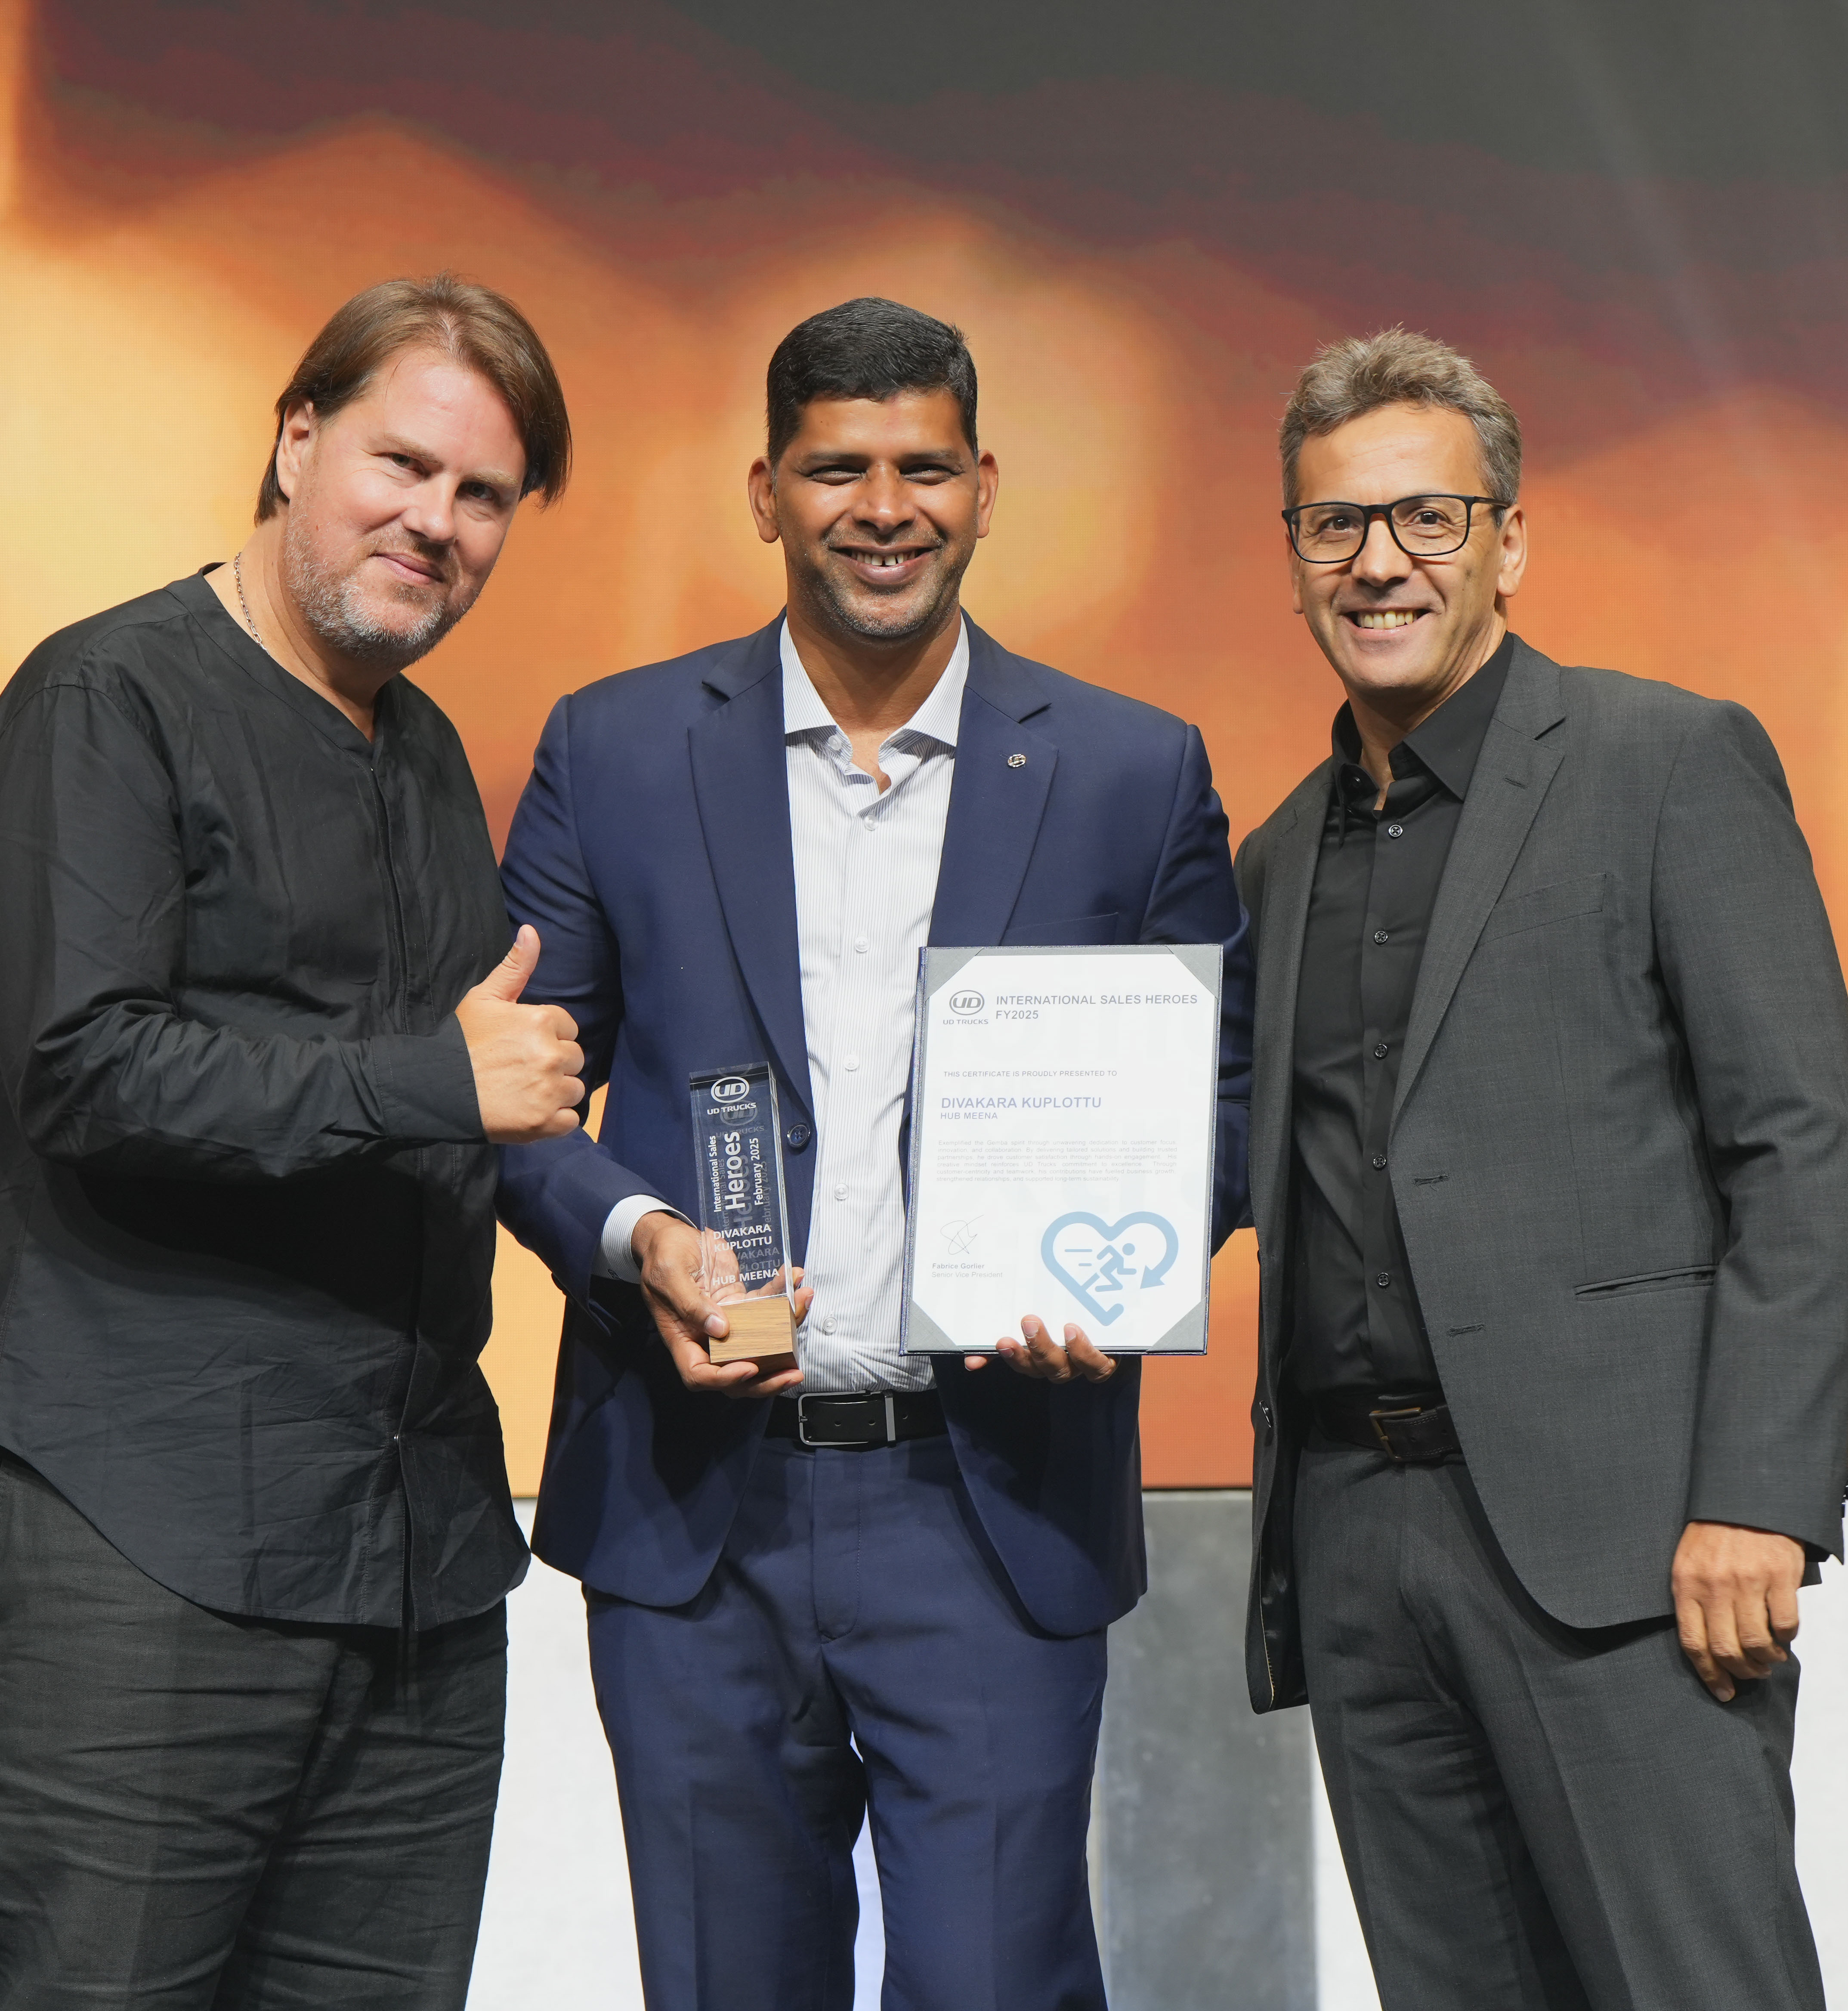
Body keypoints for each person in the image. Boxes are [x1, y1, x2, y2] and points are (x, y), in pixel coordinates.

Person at [496, 297, 1252, 2009]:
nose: (884, 508)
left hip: (987, 1498)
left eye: (925, 467)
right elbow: (516, 1095)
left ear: (986, 488)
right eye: (839, 469)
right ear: (765, 492)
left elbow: (1220, 1096)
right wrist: (638, 1238)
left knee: (995, 1985)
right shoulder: (614, 749)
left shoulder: (1132, 771)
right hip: (694, 1510)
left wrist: (1119, 1268)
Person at [0, 274, 587, 2009]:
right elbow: (85, 1069)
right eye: (402, 464)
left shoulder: (426, 753)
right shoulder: (105, 697)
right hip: (149, 1537)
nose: (435, 522)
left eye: (483, 496)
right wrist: (430, 1081)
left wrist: (641, 1233)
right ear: (297, 441)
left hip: (413, 1557)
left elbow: (476, 1104)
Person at [1235, 328, 1848, 2010]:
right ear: (1294, 559)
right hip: (1360, 1544)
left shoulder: (1667, 764)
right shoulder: (1277, 857)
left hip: (1634, 1552)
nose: (1379, 561)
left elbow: (1800, 1140)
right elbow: (1214, 1160)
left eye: (1427, 518)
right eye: (1334, 524)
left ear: (1509, 541)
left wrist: (1758, 1497)